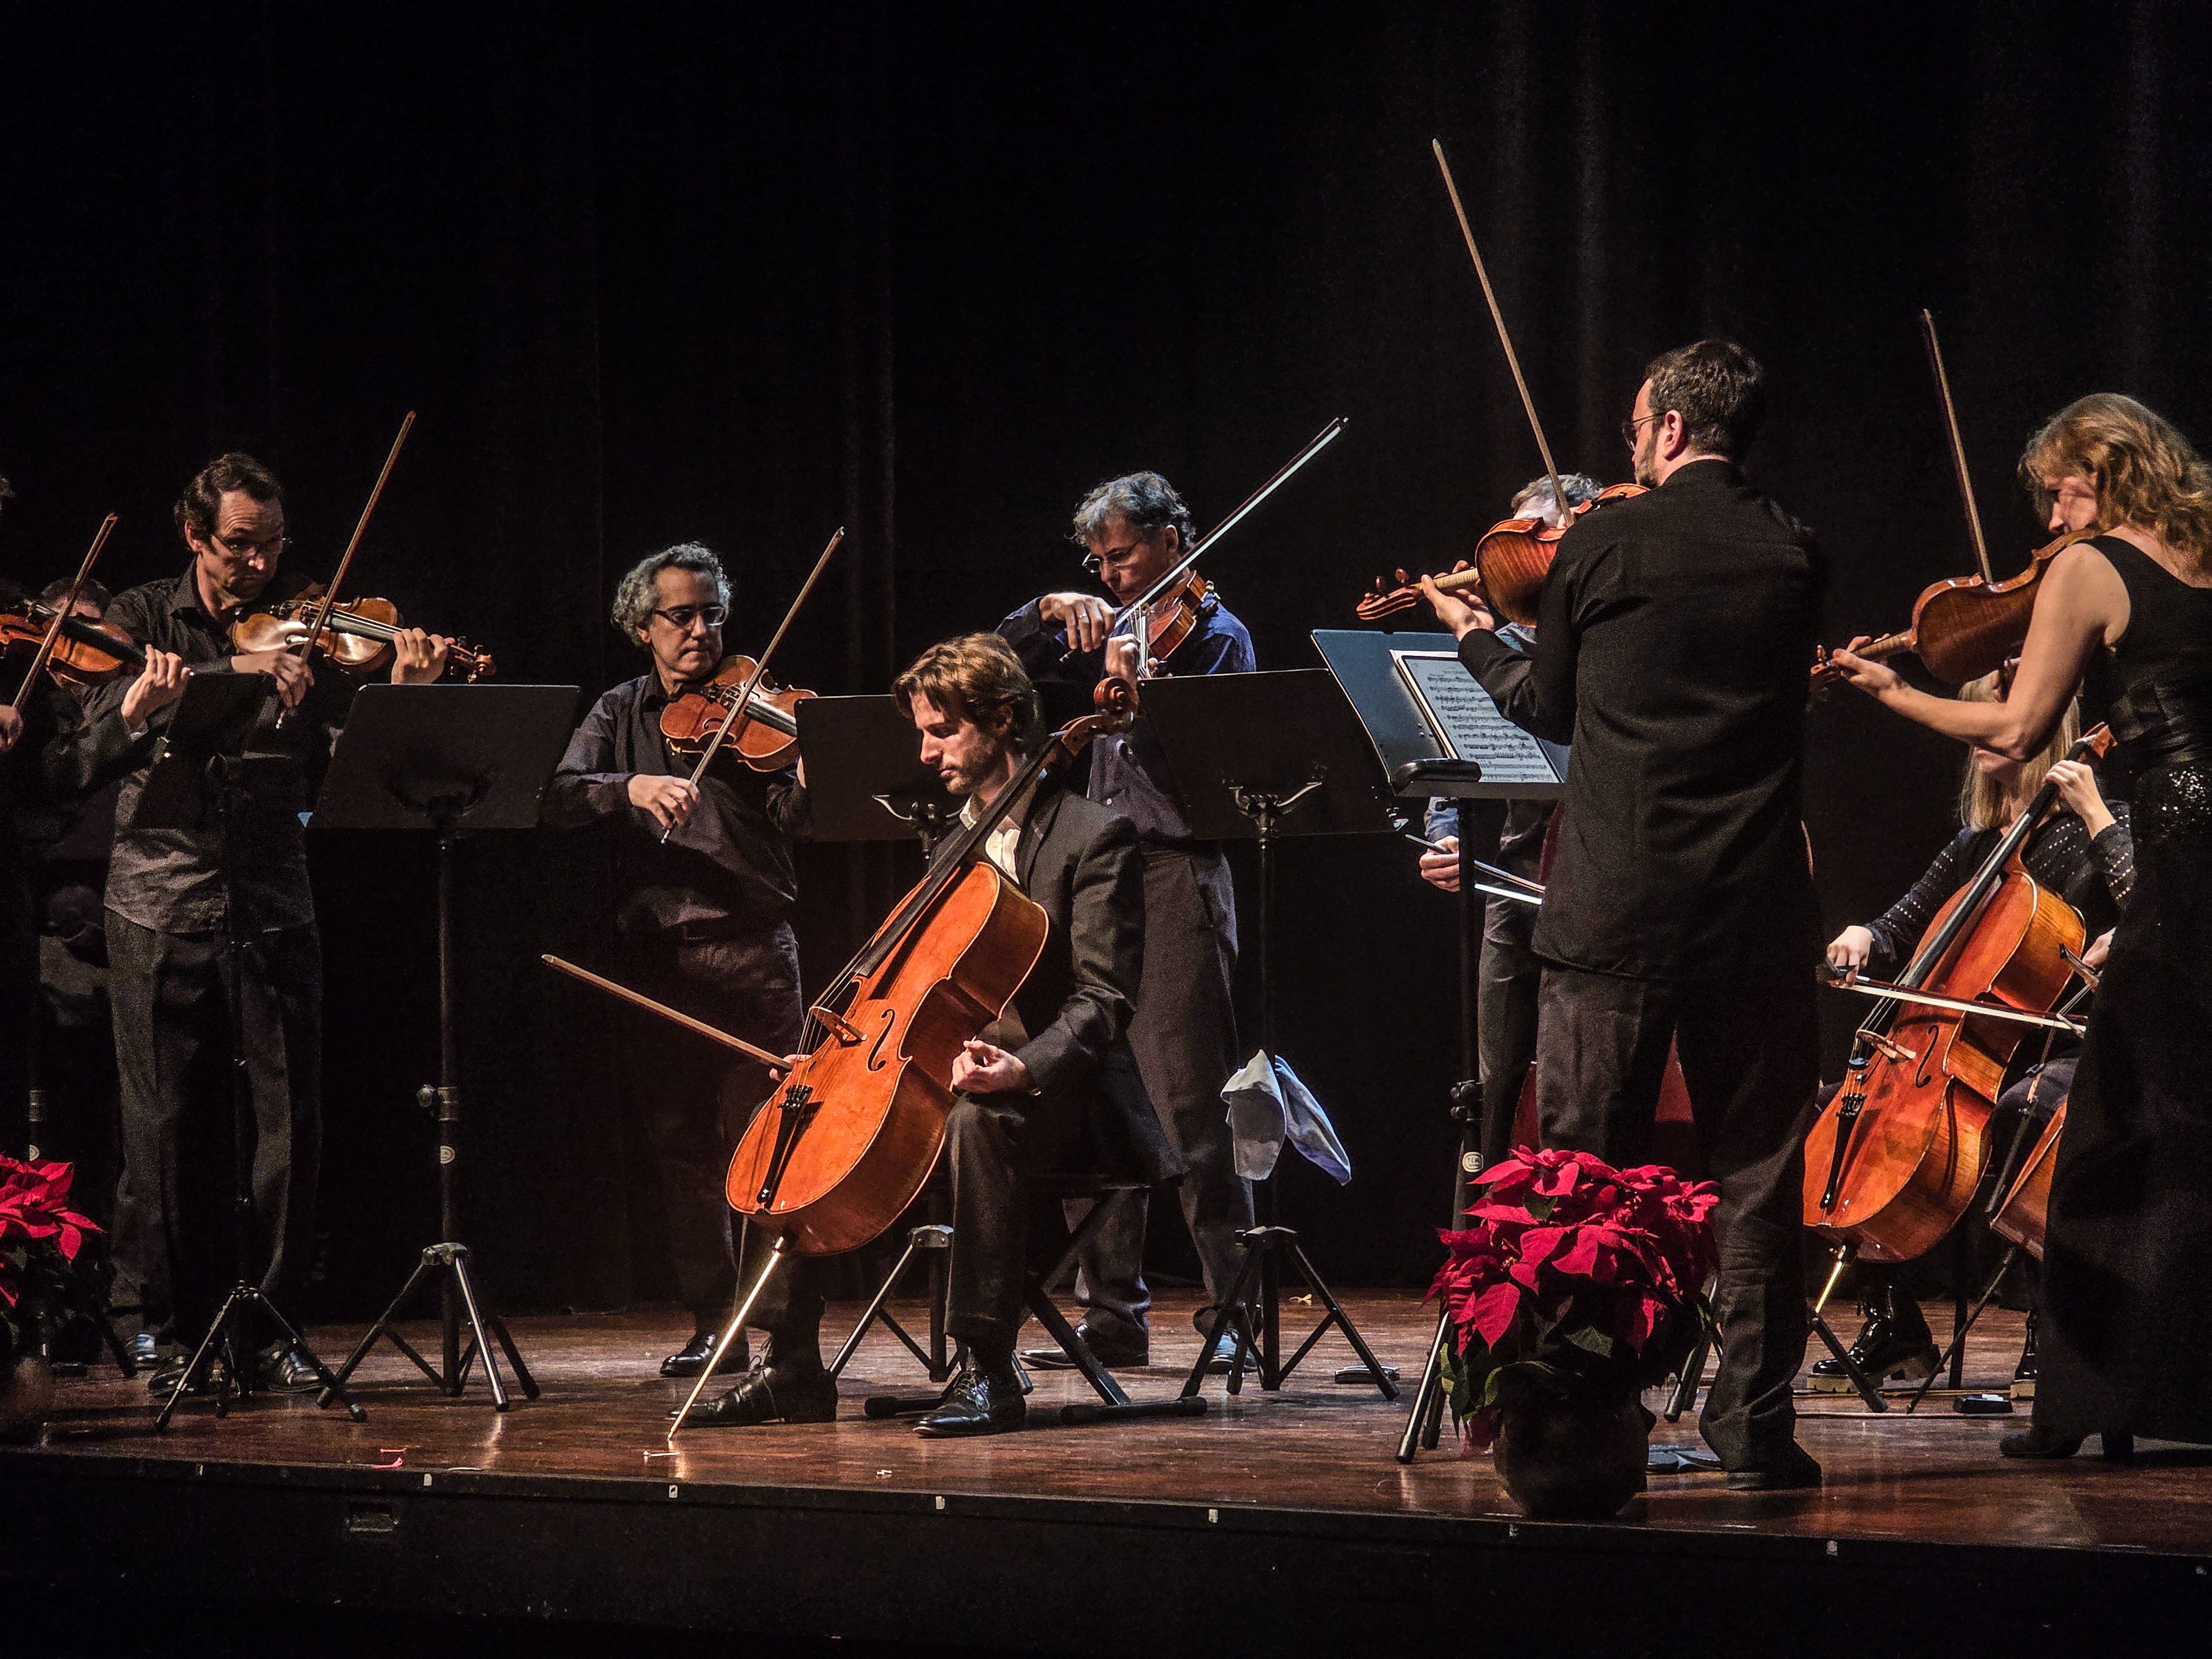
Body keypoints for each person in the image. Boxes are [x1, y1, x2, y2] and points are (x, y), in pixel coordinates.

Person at [1423, 340, 1828, 1489]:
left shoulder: (1601, 537)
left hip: (1614, 910)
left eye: (1631, 430)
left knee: (1578, 1182)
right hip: (1753, 911)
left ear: (1661, 429)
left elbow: (1544, 711)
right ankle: (1756, 1428)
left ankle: (1577, 1429)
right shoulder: (1793, 552)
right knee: (1756, 1178)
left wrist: (1471, 634)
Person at [1827, 393, 2212, 1460]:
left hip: (2178, 858)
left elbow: (2012, 728)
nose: (2052, 516)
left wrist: (1890, 691)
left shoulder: (2094, 571)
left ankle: (2090, 1407)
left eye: (2061, 489)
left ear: (2108, 471)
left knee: (2116, 1132)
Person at [688, 633, 1171, 1436]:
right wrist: (837, 1048)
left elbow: (1104, 1000)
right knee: (791, 1111)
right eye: (923, 732)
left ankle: (987, 1369)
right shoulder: (950, 841)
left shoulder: (1094, 837)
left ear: (1005, 723)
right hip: (944, 1075)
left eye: (942, 730)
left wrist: (1020, 1067)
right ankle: (792, 1369)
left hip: (1061, 1097)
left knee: (981, 1120)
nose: (925, 752)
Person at [61, 453, 452, 1392]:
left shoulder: (309, 627)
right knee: (161, 1123)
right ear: (196, 537)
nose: (260, 569)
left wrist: (403, 689)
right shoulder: (143, 618)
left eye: (273, 547)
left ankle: (270, 1322)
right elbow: (77, 752)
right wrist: (151, 702)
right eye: (240, 547)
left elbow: (366, 760)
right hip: (157, 898)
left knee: (290, 1120)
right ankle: (158, 1319)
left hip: (273, 892)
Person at [1810, 674, 2131, 1392]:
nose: (1975, 734)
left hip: (2069, 1044)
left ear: (2035, 729)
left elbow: (2149, 903)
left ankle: (2049, 1328)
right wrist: (1864, 932)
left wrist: (2097, 813)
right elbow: (1905, 920)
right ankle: (1894, 1326)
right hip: (1973, 1049)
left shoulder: (2094, 827)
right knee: (1842, 1108)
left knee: (2024, 1109)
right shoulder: (1978, 843)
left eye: (1990, 721)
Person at [999, 472, 1251, 1370]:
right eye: (1098, 563)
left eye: (1125, 554)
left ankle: (1236, 1311)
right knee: (1093, 1096)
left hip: (1178, 871)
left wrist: (1142, 695)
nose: (1111, 575)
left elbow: (1211, 768)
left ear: (1174, 539)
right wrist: (1045, 608)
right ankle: (1113, 1316)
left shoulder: (1215, 637)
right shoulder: (1105, 624)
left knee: (1191, 1105)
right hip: (1100, 875)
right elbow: (996, 661)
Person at [544, 543, 808, 1380]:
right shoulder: (617, 713)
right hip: (657, 959)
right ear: (641, 626)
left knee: (766, 1148)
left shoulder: (757, 705)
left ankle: (783, 1333)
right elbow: (553, 793)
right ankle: (712, 1320)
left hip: (753, 949)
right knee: (681, 1147)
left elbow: (804, 816)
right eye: (680, 616)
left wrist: (805, 768)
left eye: (711, 614)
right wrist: (629, 788)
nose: (700, 631)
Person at [1417, 473, 1601, 1166]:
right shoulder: (1498, 643)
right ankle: (1492, 1238)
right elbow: (1454, 752)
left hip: (1587, 879)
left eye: (1534, 538)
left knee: (1573, 1076)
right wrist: (1446, 832)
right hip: (1513, 883)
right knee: (1498, 1072)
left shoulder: (1594, 635)